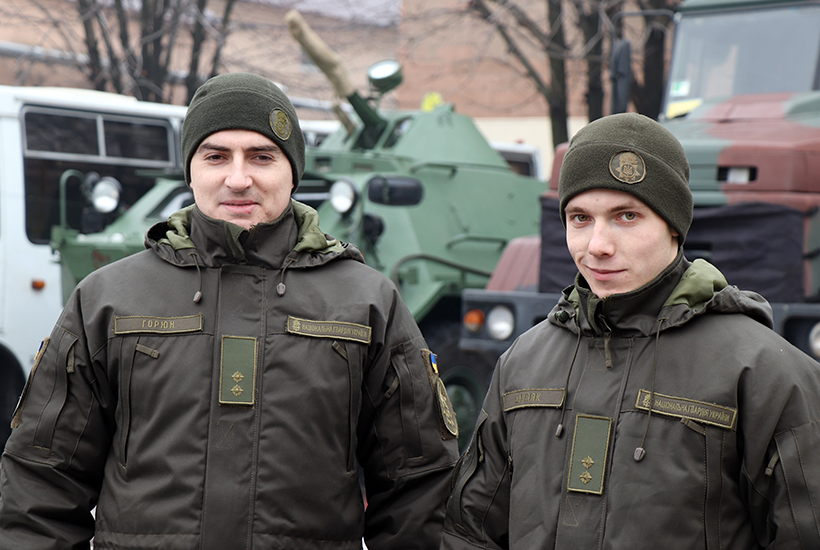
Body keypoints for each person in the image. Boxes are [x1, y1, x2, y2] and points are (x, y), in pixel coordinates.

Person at [0, 72, 459, 549]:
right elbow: (42, 483)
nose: (238, 179)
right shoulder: (107, 299)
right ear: (191, 170)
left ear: (293, 171)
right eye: (216, 156)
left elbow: (419, 489)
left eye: (262, 156)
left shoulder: (367, 303)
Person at [441, 113, 820, 549]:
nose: (597, 246)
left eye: (626, 216)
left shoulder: (764, 373)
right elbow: (470, 532)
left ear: (673, 224)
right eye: (580, 218)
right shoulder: (523, 362)